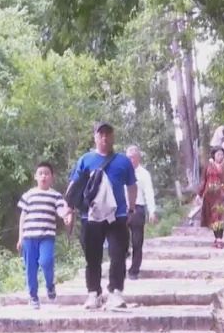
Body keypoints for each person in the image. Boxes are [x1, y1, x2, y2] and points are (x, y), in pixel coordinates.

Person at [66, 122, 137, 310]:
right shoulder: (85, 160)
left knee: (118, 254)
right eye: (101, 134)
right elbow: (74, 186)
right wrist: (69, 209)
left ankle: (115, 292)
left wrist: (131, 208)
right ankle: (94, 293)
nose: (104, 138)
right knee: (92, 256)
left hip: (117, 215)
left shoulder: (123, 161)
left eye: (108, 134)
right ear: (95, 137)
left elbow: (132, 186)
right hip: (91, 216)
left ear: (113, 137)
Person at [16, 162, 72, 309]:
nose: (43, 176)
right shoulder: (28, 195)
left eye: (46, 173)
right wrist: (20, 237)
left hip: (47, 236)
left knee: (46, 261)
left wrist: (66, 216)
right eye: (40, 173)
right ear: (35, 176)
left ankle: (50, 285)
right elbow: (23, 217)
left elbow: (61, 211)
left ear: (52, 177)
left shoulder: (56, 196)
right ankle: (33, 296)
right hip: (29, 237)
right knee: (31, 268)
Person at [125, 145, 157, 280]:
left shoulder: (144, 174)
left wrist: (152, 211)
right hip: (123, 209)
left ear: (138, 158)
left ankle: (134, 270)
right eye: (128, 157)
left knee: (137, 242)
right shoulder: (122, 172)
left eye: (133, 157)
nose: (130, 160)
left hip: (138, 209)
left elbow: (149, 192)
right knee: (120, 239)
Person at [199, 147, 224, 248]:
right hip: (209, 195)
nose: (220, 156)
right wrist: (199, 194)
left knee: (220, 216)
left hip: (221, 194)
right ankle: (217, 238)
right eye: (218, 154)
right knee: (212, 217)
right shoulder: (208, 166)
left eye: (222, 154)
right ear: (213, 155)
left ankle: (219, 238)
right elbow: (203, 180)